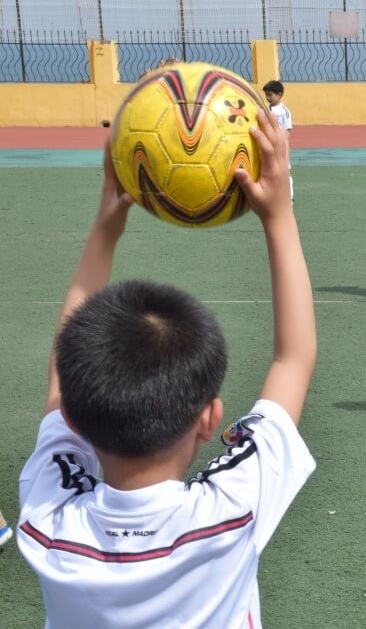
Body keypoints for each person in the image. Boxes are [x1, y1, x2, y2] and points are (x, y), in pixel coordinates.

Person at [17, 112, 318, 627]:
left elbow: (294, 361)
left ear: (74, 418)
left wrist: (103, 232)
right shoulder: (232, 511)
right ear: (209, 419)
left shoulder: (47, 521)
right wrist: (279, 215)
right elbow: (294, 359)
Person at [263, 80, 295, 202]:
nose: (268, 97)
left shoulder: (284, 111)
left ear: (279, 94)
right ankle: (272, 195)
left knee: (285, 172)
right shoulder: (266, 109)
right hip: (268, 146)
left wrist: (282, 145)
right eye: (266, 95)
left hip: (280, 147)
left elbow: (287, 130)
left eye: (270, 95)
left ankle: (290, 196)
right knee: (269, 171)